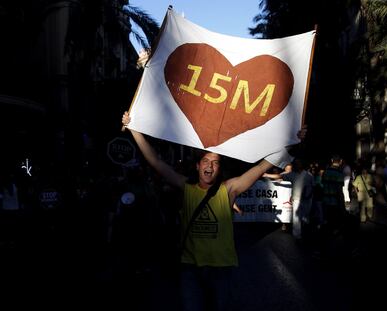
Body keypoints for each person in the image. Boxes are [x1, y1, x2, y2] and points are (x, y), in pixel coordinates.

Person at [122, 111, 306, 311]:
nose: (210, 166)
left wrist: (292, 142)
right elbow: (156, 162)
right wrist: (134, 130)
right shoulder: (187, 188)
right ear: (198, 166)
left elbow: (262, 166)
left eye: (215, 162)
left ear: (219, 169)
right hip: (190, 269)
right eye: (206, 162)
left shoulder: (230, 189)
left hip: (221, 269)